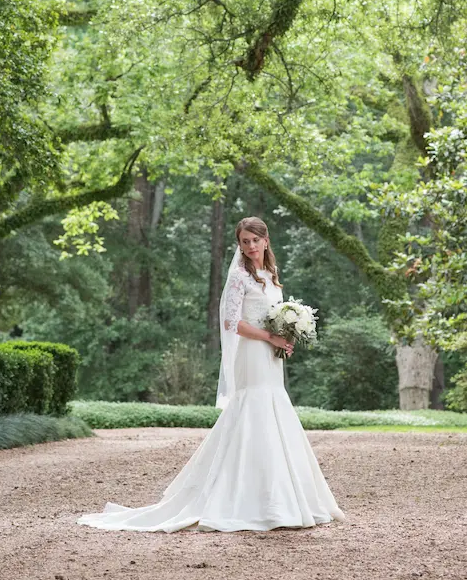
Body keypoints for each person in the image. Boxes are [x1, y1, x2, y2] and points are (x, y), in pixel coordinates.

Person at [77, 215, 345, 532]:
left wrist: (286, 339)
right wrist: (270, 337)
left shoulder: (271, 274)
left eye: (254, 240)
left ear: (266, 240)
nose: (250, 247)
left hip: (271, 357)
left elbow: (275, 317)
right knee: (253, 409)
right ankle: (241, 499)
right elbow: (233, 324)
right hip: (251, 354)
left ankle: (282, 497)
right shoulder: (238, 277)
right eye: (244, 242)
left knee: (274, 409)